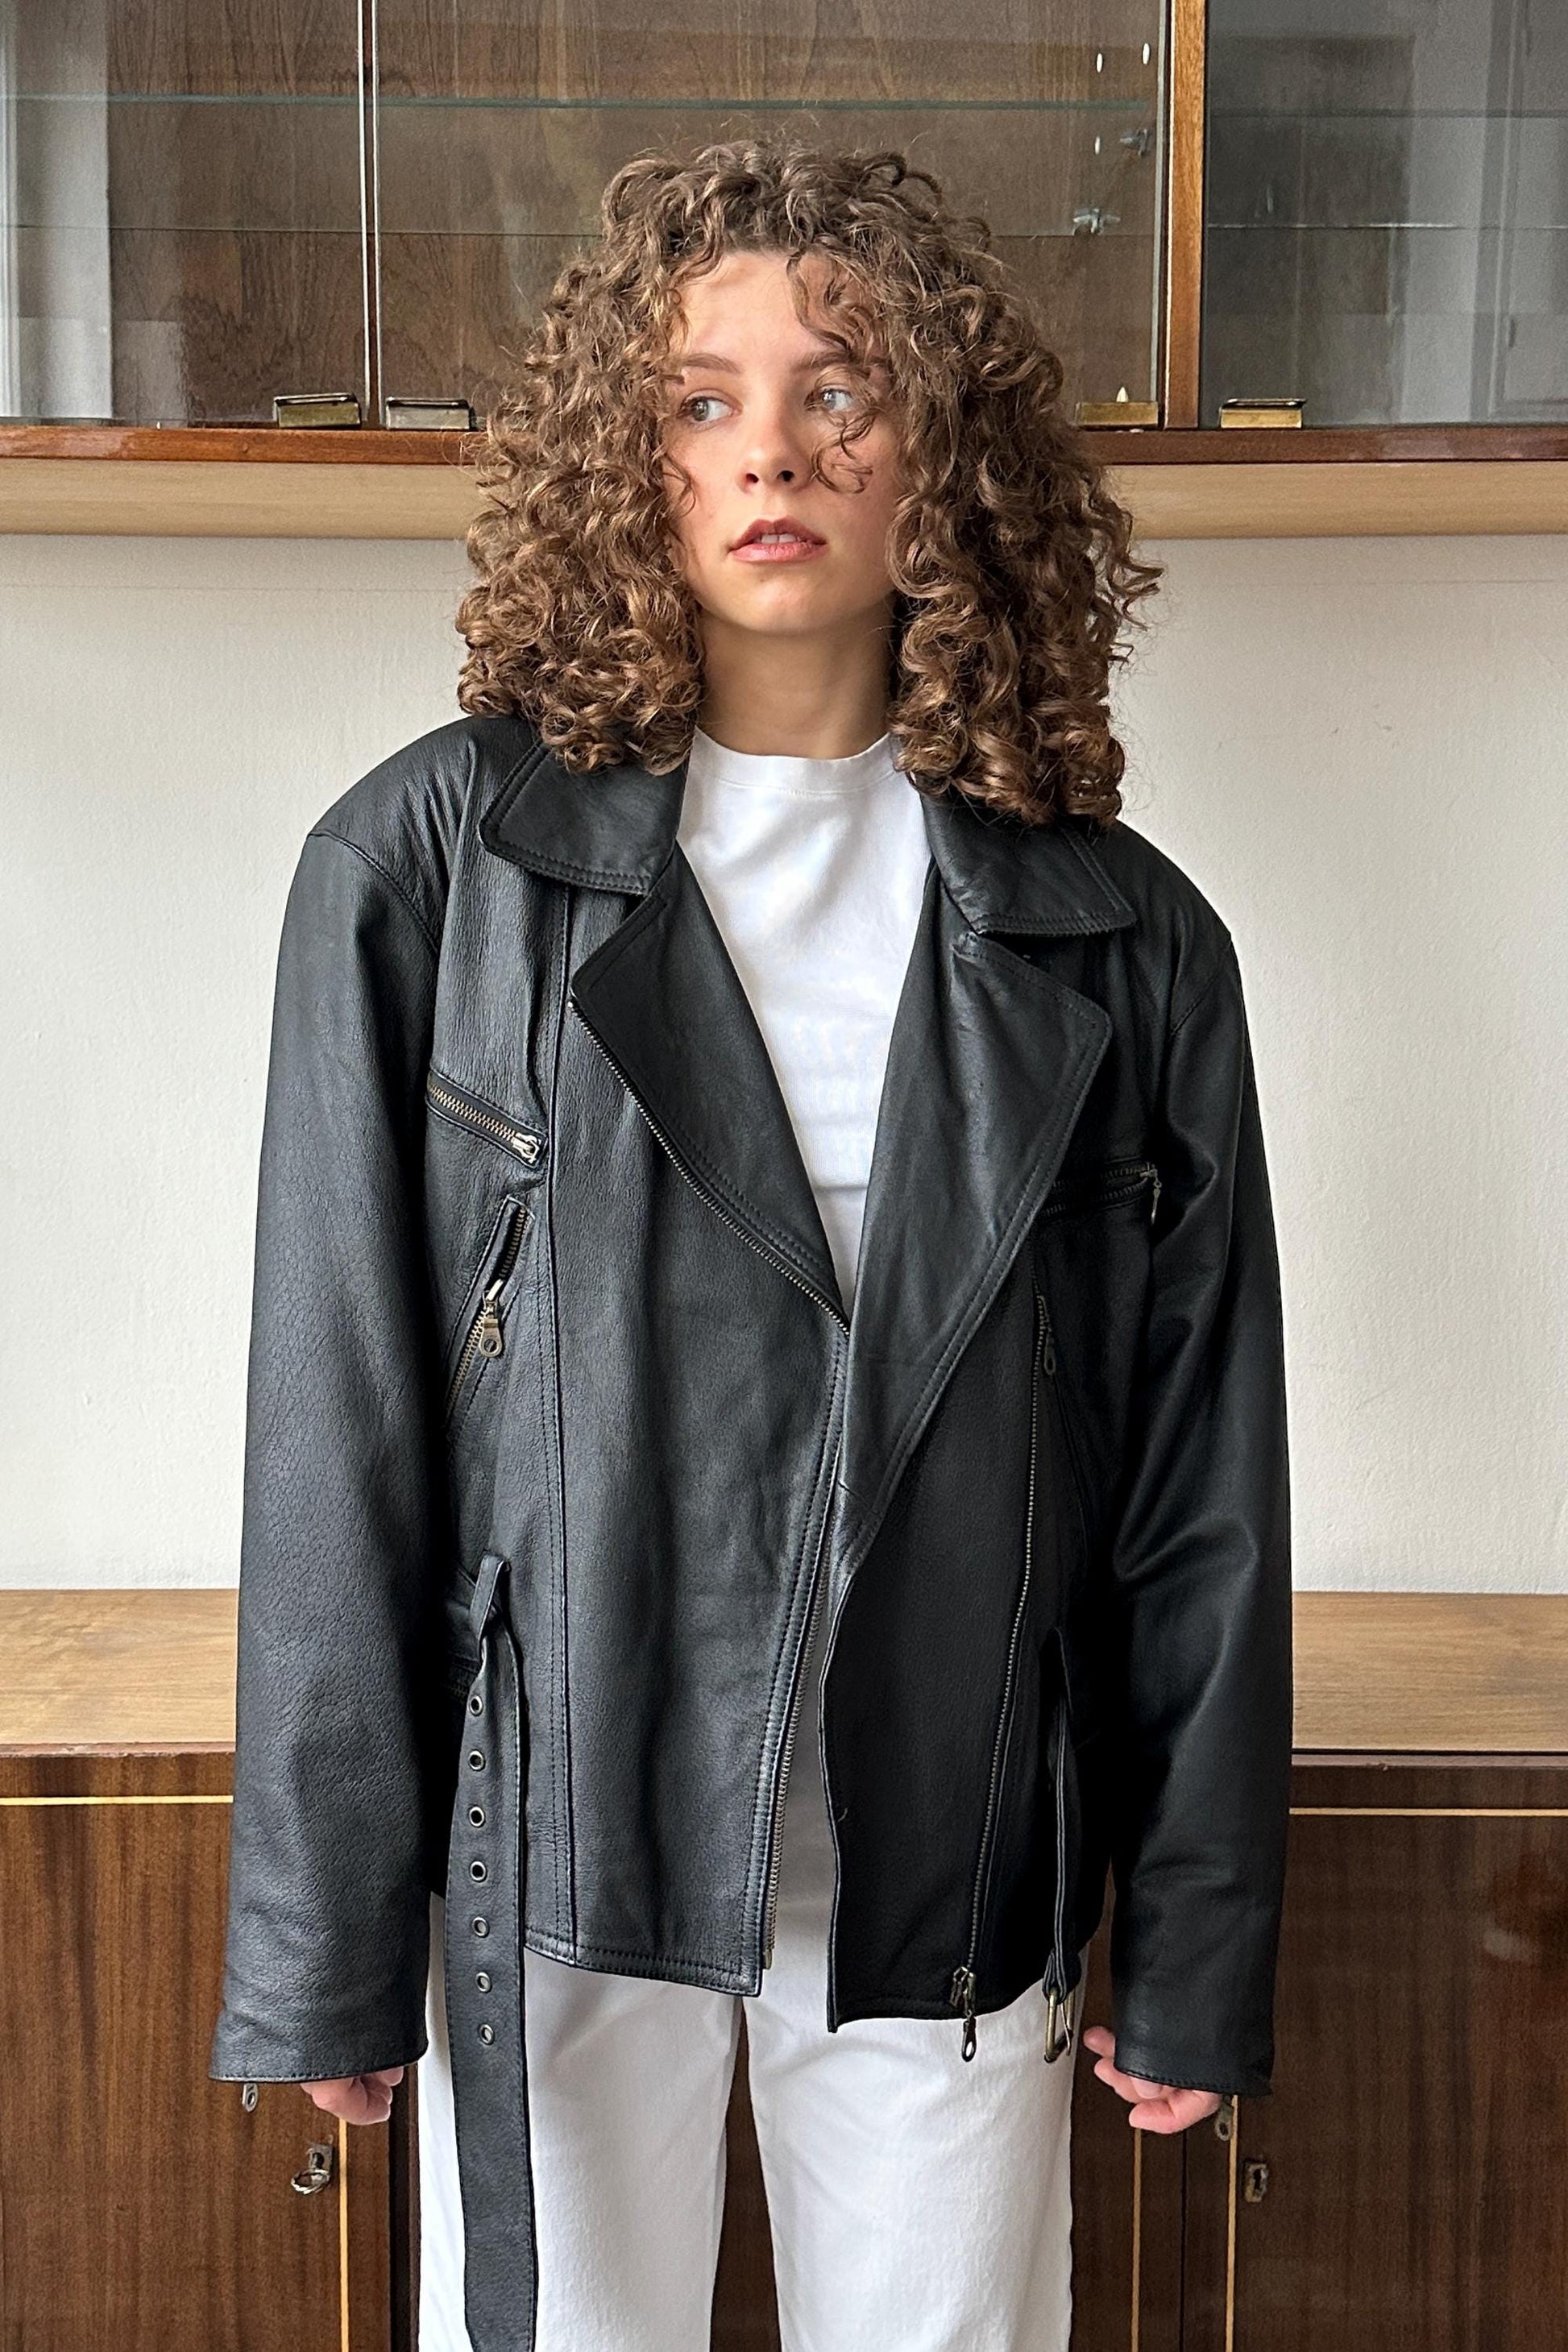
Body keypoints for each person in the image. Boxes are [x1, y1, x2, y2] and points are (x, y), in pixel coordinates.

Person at [209, 139, 1292, 2352]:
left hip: (951, 1860)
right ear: (628, 456)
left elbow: (1199, 1489)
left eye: (840, 388)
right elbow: (340, 1430)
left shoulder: (1116, 933)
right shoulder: (429, 869)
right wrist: (321, 1937)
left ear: (942, 454)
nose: (769, 450)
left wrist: (1191, 1940)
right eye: (700, 398)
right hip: (556, 1850)